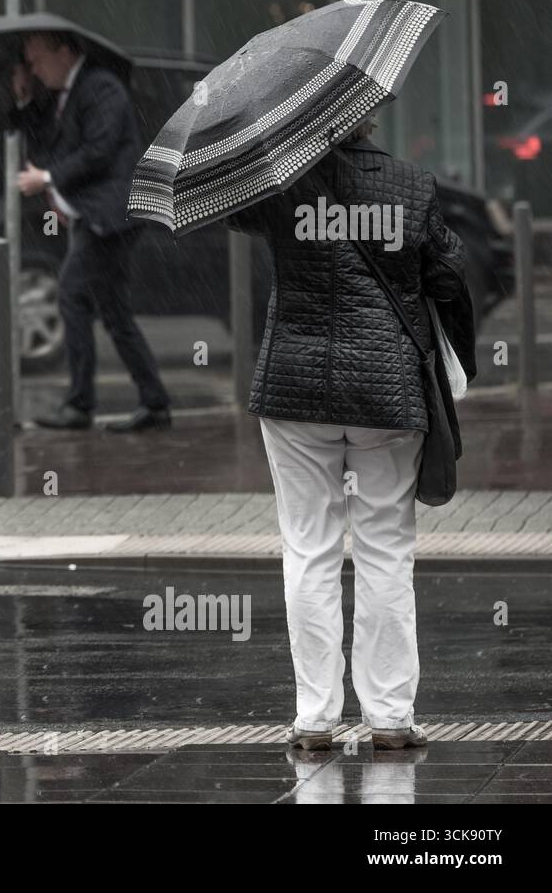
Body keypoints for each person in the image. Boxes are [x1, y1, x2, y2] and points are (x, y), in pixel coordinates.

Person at [230, 114, 475, 752]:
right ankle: (391, 716)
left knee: (307, 549)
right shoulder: (410, 183)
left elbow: (232, 214)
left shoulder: (279, 181)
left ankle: (314, 717)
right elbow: (449, 278)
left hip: (295, 387)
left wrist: (271, 151)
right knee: (386, 548)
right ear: (364, 116)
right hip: (385, 392)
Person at [9, 30, 172, 432]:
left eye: (37, 59)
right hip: (92, 216)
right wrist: (26, 99)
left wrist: (47, 177)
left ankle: (81, 404)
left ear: (65, 52)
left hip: (110, 216)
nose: (34, 69)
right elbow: (46, 144)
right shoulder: (62, 95)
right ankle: (154, 403)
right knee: (114, 312)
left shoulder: (100, 87)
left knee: (71, 294)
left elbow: (100, 149)